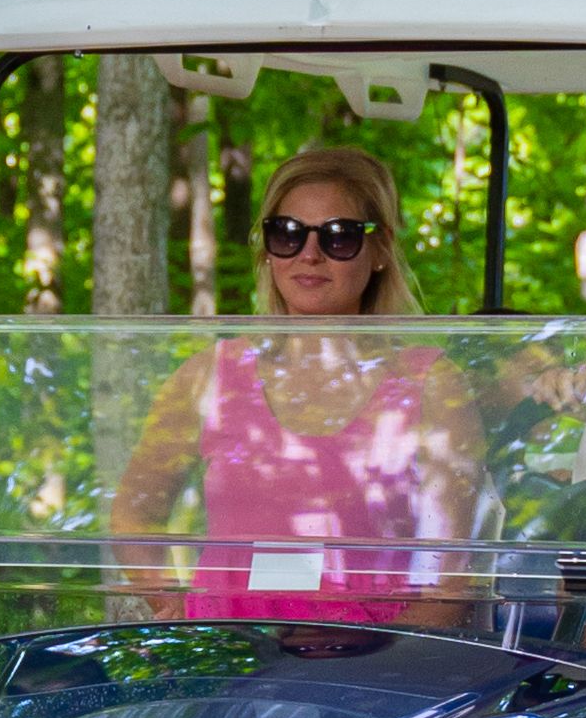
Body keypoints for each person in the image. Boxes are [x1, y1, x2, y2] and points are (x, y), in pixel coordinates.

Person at [109, 146, 481, 626]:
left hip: (369, 670)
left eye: (338, 237)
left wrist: (388, 668)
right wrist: (179, 609)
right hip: (231, 660)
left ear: (382, 248)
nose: (309, 254)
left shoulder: (430, 383)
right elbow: (134, 513)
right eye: (286, 234)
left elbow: (448, 581)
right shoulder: (209, 375)